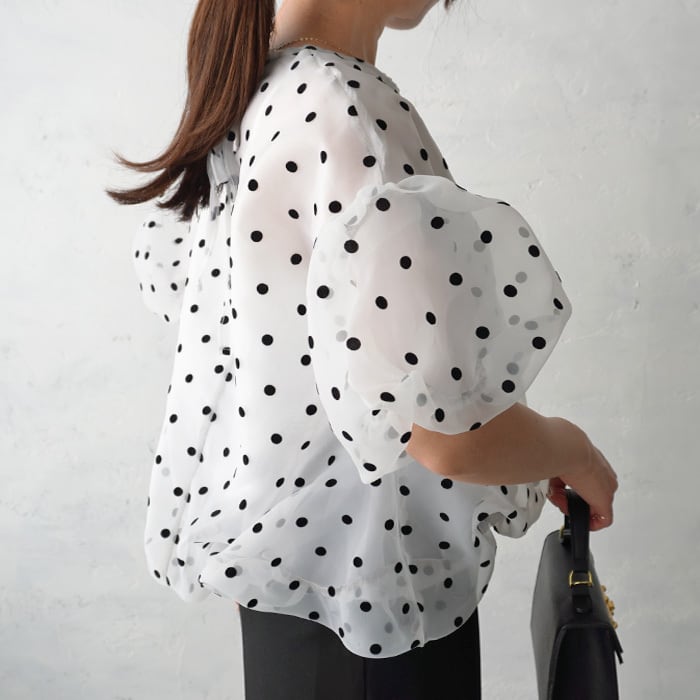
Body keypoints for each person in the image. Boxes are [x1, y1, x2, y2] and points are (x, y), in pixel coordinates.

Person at [106, 0, 618, 697]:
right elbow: (446, 436)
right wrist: (574, 451)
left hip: (296, 601)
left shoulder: (252, 91)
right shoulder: (344, 109)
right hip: (377, 618)